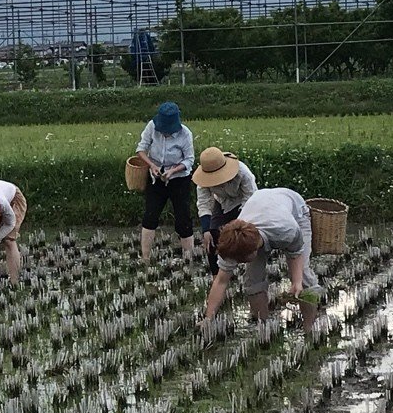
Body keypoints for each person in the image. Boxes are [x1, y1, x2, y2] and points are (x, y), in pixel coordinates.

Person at [205, 187, 324, 325]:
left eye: (242, 259)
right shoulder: (233, 242)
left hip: (295, 211)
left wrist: (297, 282)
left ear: (254, 249)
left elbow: (295, 254)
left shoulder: (285, 230)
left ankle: (310, 329)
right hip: (261, 204)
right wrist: (208, 319)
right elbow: (221, 281)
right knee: (252, 279)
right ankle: (263, 325)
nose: (240, 263)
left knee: (303, 276)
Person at [136, 101, 195, 261]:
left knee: (183, 219)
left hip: (179, 179)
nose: (165, 133)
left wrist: (173, 171)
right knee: (150, 216)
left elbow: (189, 160)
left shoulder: (185, 134)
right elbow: (141, 149)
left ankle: (188, 258)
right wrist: (153, 166)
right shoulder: (151, 127)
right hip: (156, 178)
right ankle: (145, 258)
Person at [192, 147, 258, 276]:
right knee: (212, 237)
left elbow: (251, 197)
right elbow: (204, 202)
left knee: (243, 236)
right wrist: (206, 230)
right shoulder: (202, 180)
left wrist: (239, 222)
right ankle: (217, 276)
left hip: (244, 203)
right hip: (221, 202)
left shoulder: (243, 172)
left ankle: (249, 270)